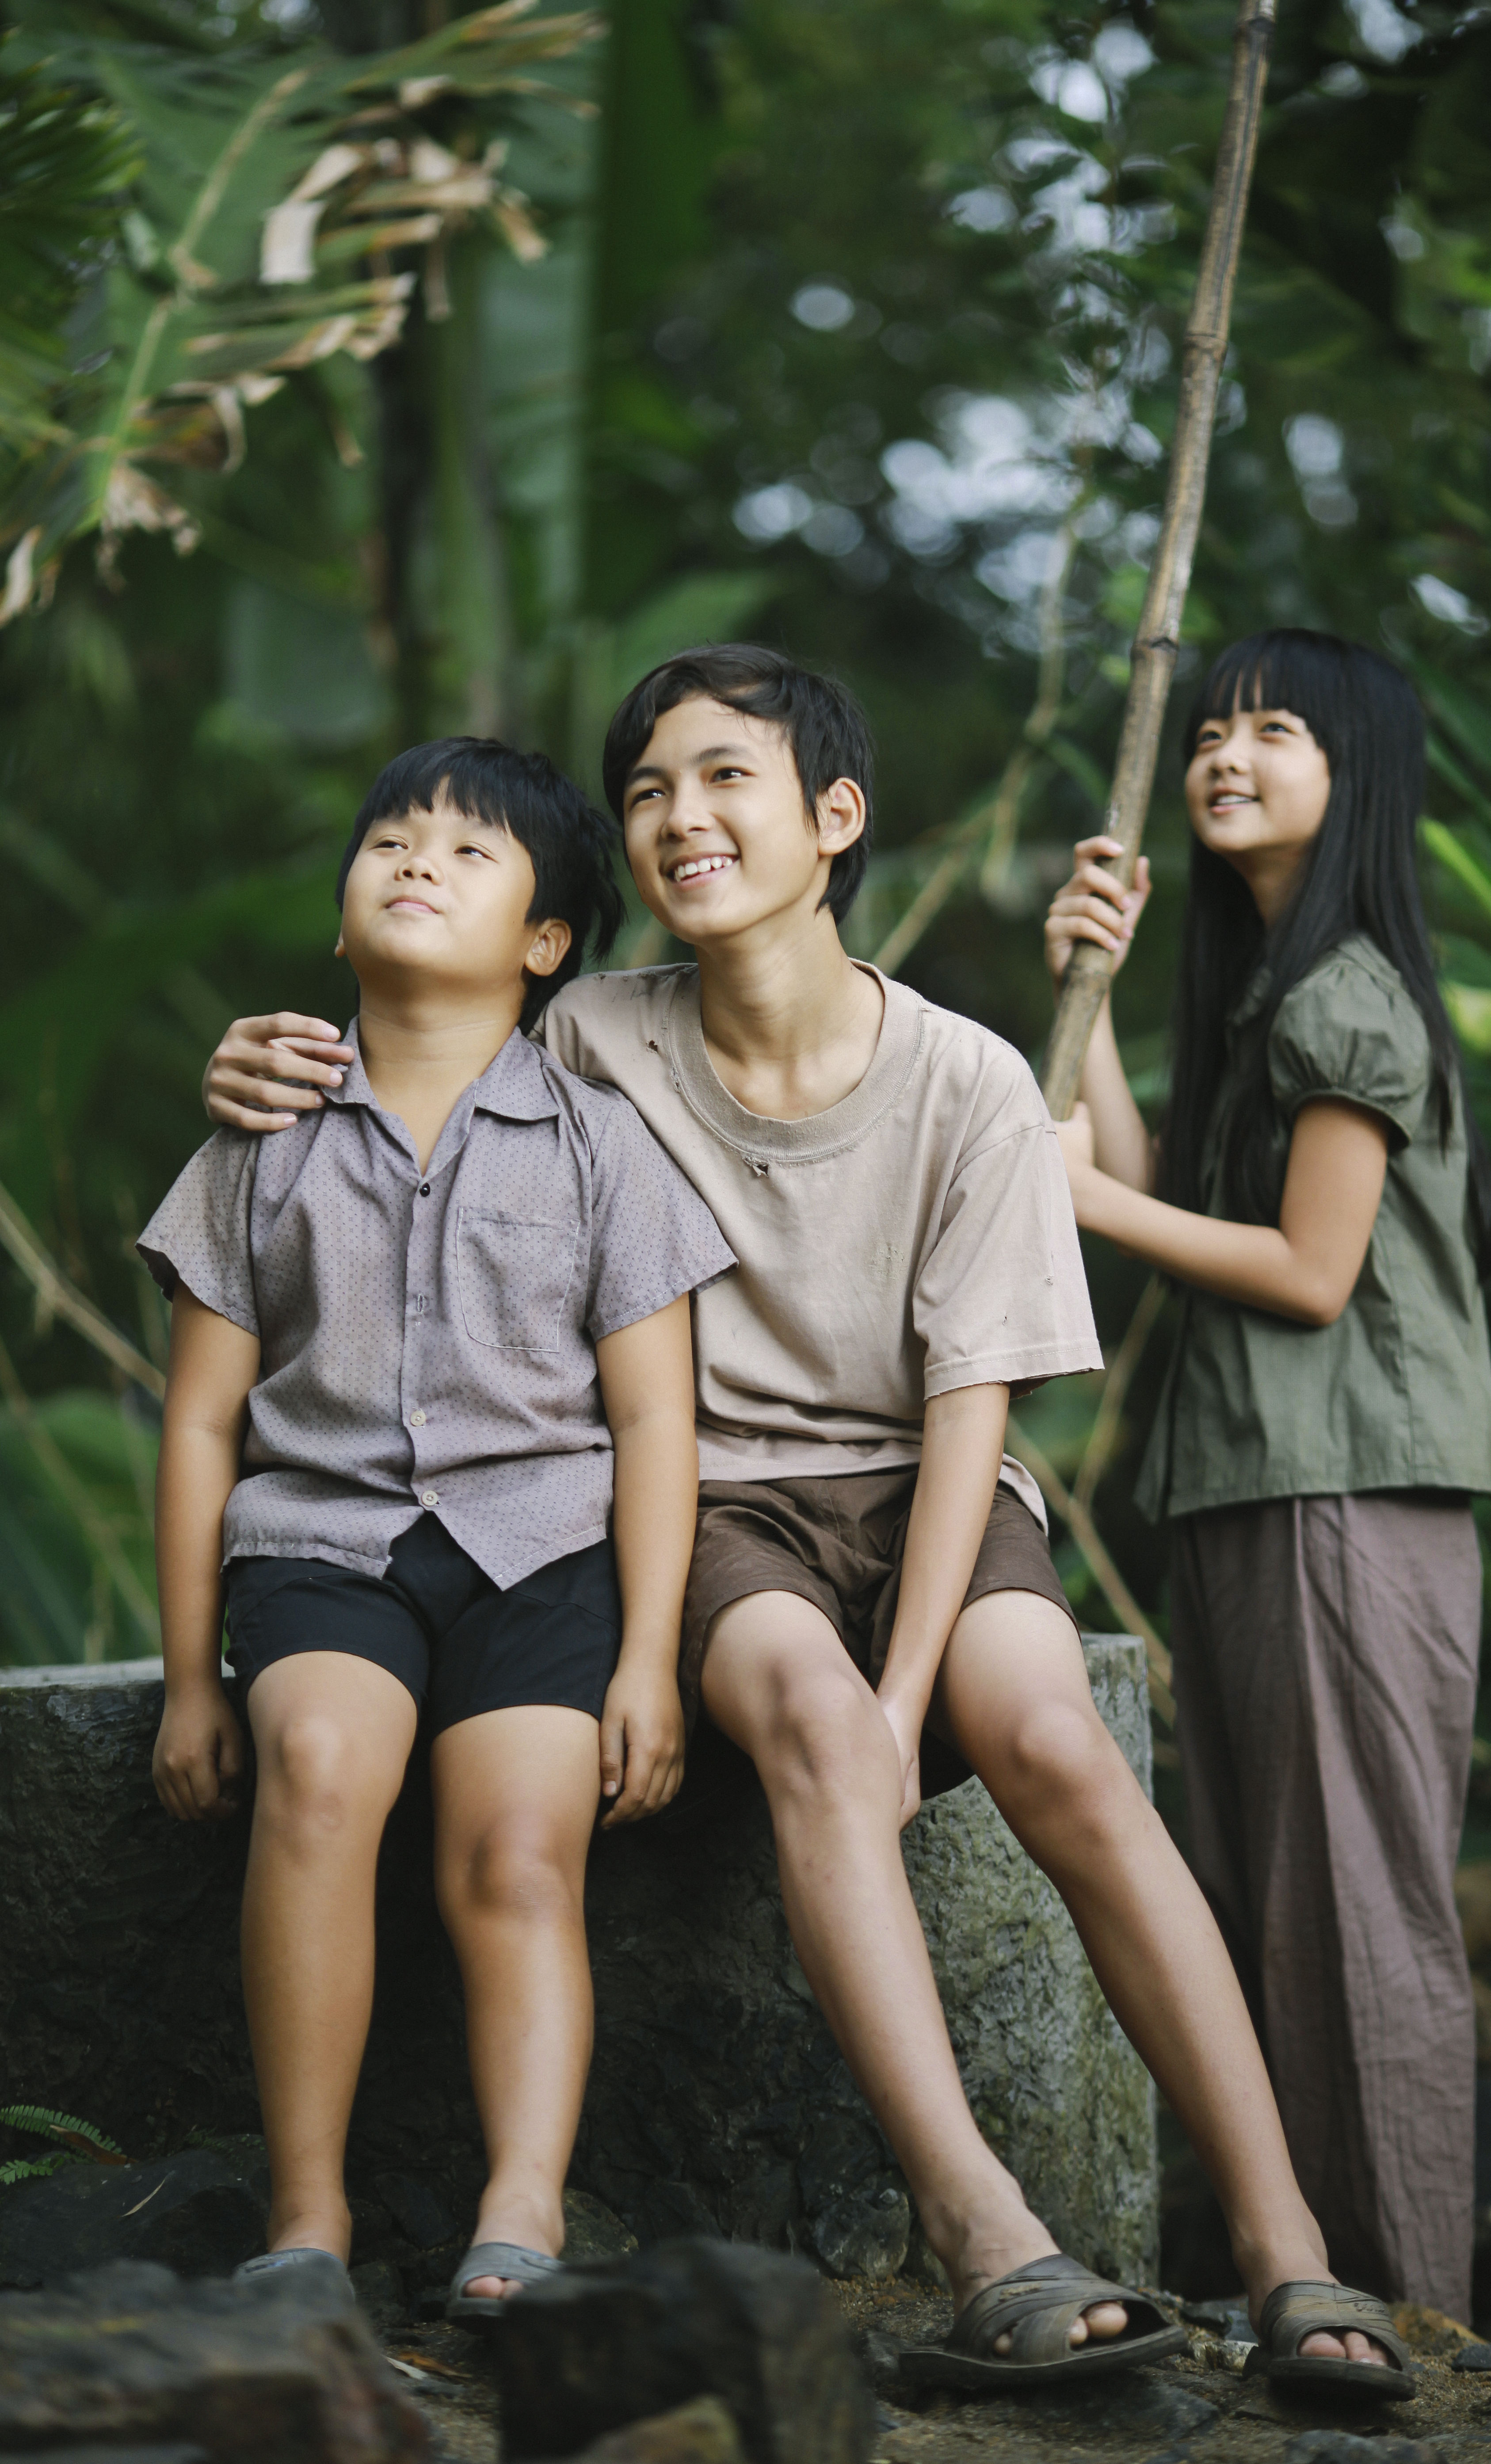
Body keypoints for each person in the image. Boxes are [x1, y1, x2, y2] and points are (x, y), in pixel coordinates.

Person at [202, 645, 1412, 2397]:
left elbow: (968, 1416)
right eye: (646, 792)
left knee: (1059, 1736)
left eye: (724, 778)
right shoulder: (599, 1033)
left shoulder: (971, 1081)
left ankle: (1290, 2254)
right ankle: (981, 2231)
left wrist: (920, 1684)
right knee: (819, 1727)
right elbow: (421, 1042)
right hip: (719, 1503)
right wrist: (267, 1058)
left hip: (933, 1487)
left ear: (833, 817)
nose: (680, 817)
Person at [144, 738, 733, 2327]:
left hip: (541, 1552)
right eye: (392, 844)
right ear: (340, 920)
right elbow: (204, 1419)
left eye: (472, 855)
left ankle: (521, 2215)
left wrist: (655, 1663)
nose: (419, 863)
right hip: (321, 1545)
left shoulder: (607, 1145)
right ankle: (309, 2220)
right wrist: (196, 1681)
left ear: (547, 943)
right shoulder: (259, 1134)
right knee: (323, 1773)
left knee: (520, 1848)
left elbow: (655, 1422)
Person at [1043, 627, 1491, 2326]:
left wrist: (1081, 1200)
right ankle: (1310, 2287)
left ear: (1356, 775)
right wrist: (1092, 990)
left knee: (1357, 1918)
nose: (1225, 751)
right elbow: (1171, 1189)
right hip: (1253, 1489)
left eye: (1277, 729)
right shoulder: (1264, 991)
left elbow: (1305, 1270)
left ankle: (1416, 2311)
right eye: (1212, 728)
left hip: (1346, 1495)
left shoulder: (1349, 992)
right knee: (1265, 1908)